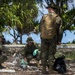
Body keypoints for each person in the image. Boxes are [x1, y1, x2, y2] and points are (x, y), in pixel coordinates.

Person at [39, 3, 62, 74]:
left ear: (49, 9)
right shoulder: (58, 18)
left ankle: (43, 69)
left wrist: (42, 36)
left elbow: (40, 27)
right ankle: (50, 70)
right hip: (53, 38)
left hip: (44, 38)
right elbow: (60, 31)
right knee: (51, 54)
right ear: (54, 9)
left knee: (44, 53)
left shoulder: (44, 17)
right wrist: (59, 40)